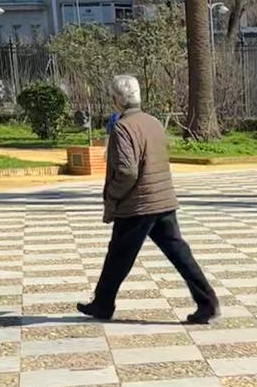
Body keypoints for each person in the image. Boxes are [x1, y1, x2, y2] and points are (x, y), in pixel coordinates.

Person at [79, 75, 218, 325]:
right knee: (179, 253)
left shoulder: (123, 127)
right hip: (162, 200)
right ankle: (207, 302)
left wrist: (113, 194)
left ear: (117, 100)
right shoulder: (153, 122)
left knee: (118, 257)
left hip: (137, 205)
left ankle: (102, 304)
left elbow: (127, 171)